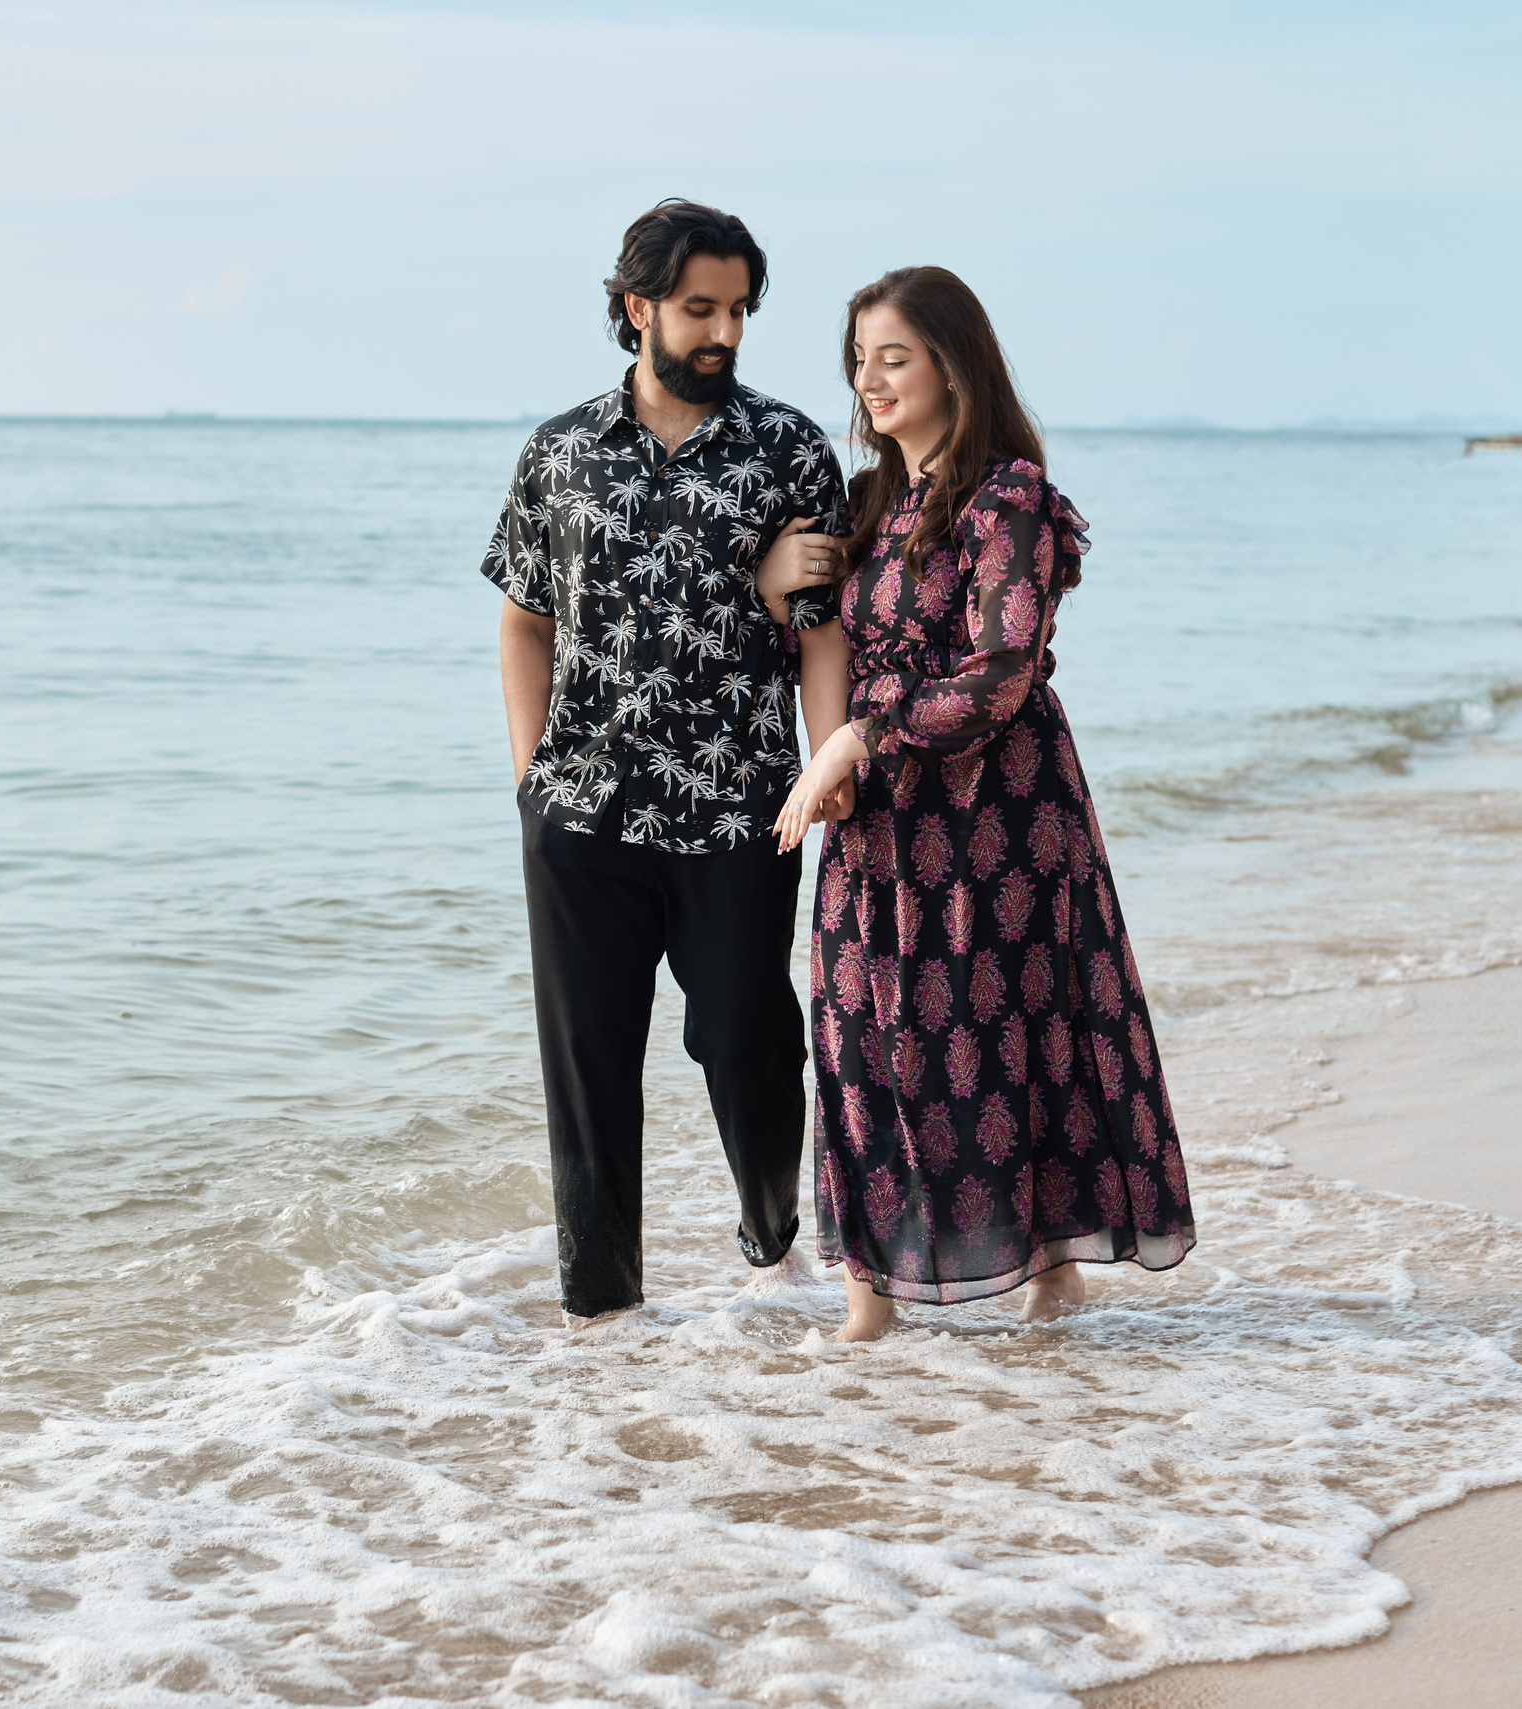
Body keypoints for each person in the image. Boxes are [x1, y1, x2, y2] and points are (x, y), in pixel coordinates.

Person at [765, 266, 1196, 1341]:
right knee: (862, 1030)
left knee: (1014, 1032)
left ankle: (1052, 1269)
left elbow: (1003, 667)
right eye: (857, 358)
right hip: (881, 816)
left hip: (999, 810)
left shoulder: (1009, 498)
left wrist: (857, 736)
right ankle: (870, 1297)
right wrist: (780, 589)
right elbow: (819, 641)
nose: (868, 378)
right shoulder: (870, 503)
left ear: (954, 364)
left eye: (893, 355)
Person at [480, 199, 855, 1326]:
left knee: (745, 1032)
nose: (723, 332)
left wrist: (824, 767)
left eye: (738, 310)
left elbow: (820, 627)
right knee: (587, 1066)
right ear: (635, 305)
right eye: (700, 308)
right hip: (581, 809)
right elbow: (524, 619)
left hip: (740, 804)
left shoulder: (788, 448)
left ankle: (771, 1235)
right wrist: (528, 783)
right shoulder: (558, 450)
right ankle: (601, 1307)